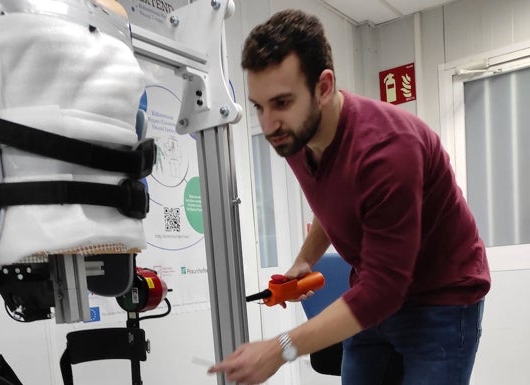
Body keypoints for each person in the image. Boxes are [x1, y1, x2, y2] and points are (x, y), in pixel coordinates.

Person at [208, 8, 490, 385]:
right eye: (259, 106)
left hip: (440, 297)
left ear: (323, 87)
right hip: (375, 294)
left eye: (282, 103)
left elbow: (383, 291)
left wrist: (280, 348)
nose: (268, 124)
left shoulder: (388, 150)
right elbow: (334, 199)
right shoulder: (296, 138)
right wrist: (305, 258)